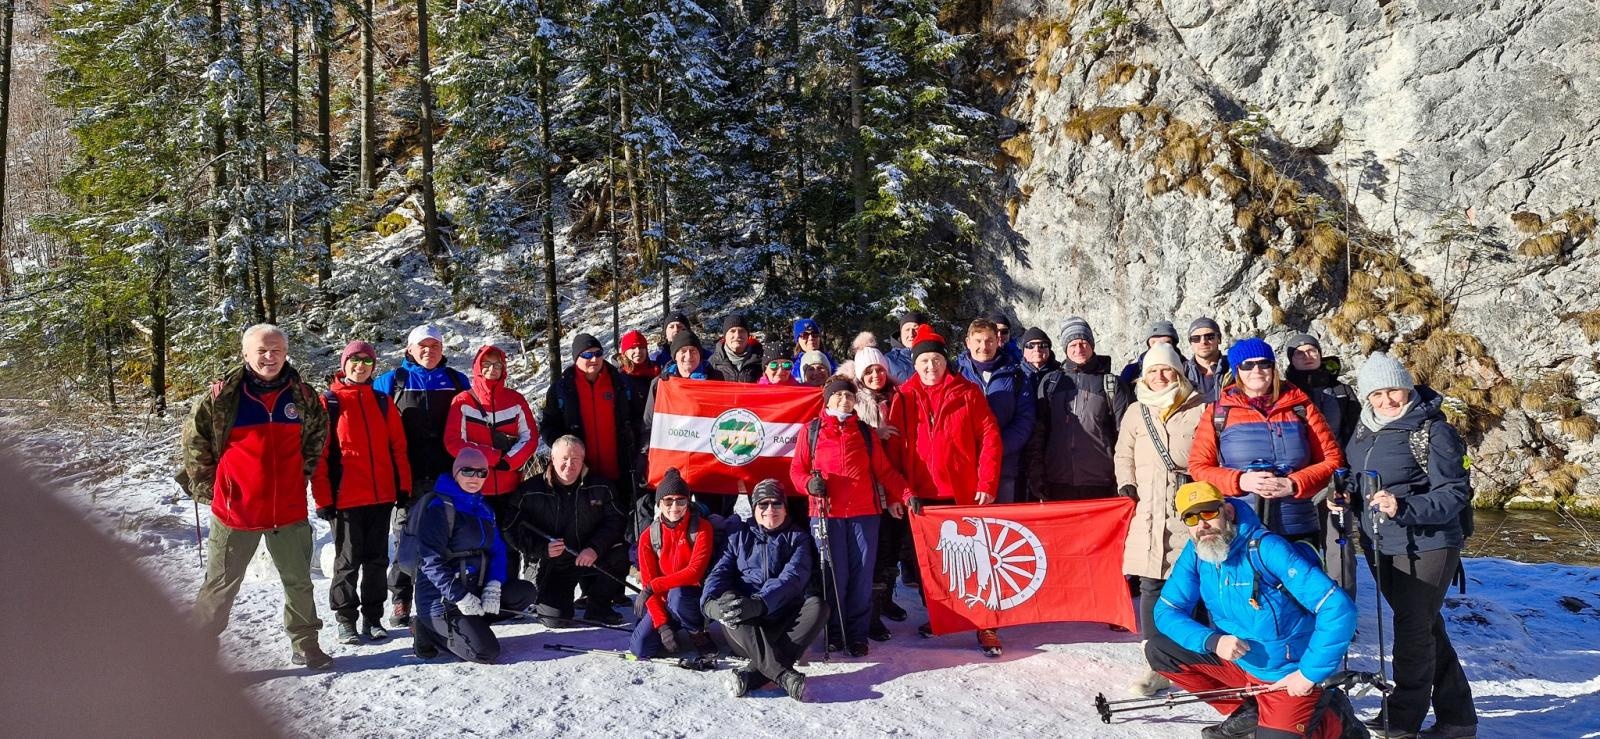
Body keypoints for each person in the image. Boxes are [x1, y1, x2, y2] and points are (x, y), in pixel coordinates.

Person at [1147, 483, 1358, 739]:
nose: (1201, 524)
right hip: (1241, 664)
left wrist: (1307, 674)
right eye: (1191, 518)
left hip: (1287, 674)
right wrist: (1212, 641)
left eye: (1208, 514)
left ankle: (1335, 720)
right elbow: (1167, 610)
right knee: (1159, 650)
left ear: (1228, 512)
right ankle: (1252, 713)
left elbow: (1338, 607)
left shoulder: (1266, 548)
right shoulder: (1197, 552)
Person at [181, 324, 332, 669]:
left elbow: (316, 440)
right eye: (262, 350)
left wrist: (300, 478)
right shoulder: (223, 397)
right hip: (237, 512)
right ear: (246, 354)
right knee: (220, 586)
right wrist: (215, 488)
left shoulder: (303, 396)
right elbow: (195, 443)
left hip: (289, 511)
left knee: (299, 583)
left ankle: (305, 643)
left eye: (276, 350)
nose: (270, 356)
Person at [1342, 354, 1477, 739]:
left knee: (1412, 630)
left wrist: (1405, 506)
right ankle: (1458, 718)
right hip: (1381, 543)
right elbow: (1360, 480)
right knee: (1425, 626)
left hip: (1429, 544)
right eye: (1377, 393)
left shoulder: (1433, 430)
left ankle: (1401, 719)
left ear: (1408, 387)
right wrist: (1346, 496)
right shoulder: (1365, 428)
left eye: (1393, 390)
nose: (1386, 400)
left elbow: (1454, 493)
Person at [885, 324, 1005, 655]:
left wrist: (987, 482)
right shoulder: (904, 397)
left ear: (945, 361)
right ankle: (942, 617)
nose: (930, 366)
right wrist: (898, 493)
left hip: (963, 492)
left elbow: (990, 439)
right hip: (921, 497)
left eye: (936, 360)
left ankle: (986, 625)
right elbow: (892, 450)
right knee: (932, 566)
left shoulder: (967, 392)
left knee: (979, 561)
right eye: (924, 361)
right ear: (915, 363)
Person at [791, 375, 912, 657]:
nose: (844, 400)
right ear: (828, 398)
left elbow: (884, 471)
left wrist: (907, 494)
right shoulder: (811, 431)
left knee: (860, 576)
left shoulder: (866, 432)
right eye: (838, 396)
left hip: (864, 514)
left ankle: (857, 635)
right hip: (826, 514)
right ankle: (835, 632)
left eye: (848, 396)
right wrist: (809, 483)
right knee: (834, 575)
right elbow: (796, 470)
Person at [1112, 343, 1206, 696]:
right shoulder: (1136, 412)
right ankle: (1156, 663)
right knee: (1151, 587)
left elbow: (1210, 456)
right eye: (1153, 371)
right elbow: (1124, 453)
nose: (1160, 376)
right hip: (1148, 513)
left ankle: (1195, 661)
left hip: (1190, 512)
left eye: (1167, 370)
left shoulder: (1199, 409)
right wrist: (1127, 486)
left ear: (1179, 373)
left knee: (1191, 587)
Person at [1187, 338, 1344, 546]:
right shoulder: (1218, 412)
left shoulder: (1301, 407)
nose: (1257, 370)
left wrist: (1293, 483)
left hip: (1297, 524)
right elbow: (1198, 467)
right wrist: (1240, 481)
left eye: (1264, 363)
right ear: (1237, 371)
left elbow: (1332, 460)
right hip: (1240, 525)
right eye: (1247, 365)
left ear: (1273, 368)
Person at [312, 340, 412, 644]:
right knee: (347, 562)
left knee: (377, 561)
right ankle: (345, 619)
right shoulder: (329, 403)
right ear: (344, 365)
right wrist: (323, 498)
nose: (360, 366)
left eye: (367, 361)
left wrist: (404, 486)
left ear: (373, 367)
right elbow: (320, 455)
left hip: (381, 497)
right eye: (354, 360)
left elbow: (398, 448)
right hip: (346, 500)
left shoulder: (382, 402)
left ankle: (372, 618)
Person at [373, 324, 471, 627]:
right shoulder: (392, 381)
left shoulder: (456, 380)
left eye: (435, 346)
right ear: (410, 349)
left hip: (448, 475)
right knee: (406, 538)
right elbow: (375, 431)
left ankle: (449, 594)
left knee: (449, 536)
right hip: (407, 476)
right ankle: (401, 597)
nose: (429, 351)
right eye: (422, 346)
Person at [410, 448, 540, 664]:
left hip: (475, 592)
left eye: (482, 473)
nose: (475, 478)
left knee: (524, 592)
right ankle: (427, 630)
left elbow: (498, 550)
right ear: (456, 472)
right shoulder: (439, 508)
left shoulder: (482, 507)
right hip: (442, 600)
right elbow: (430, 562)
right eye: (468, 471)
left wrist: (493, 585)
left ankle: (471, 626)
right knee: (485, 652)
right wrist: (459, 596)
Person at [703, 480, 825, 702]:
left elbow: (793, 579)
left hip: (782, 621)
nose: (770, 510)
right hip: (746, 628)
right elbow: (719, 572)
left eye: (776, 504)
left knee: (818, 606)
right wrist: (709, 603)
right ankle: (783, 674)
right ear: (753, 508)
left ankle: (753, 676)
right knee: (730, 600)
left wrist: (760, 603)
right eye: (763, 504)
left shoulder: (799, 538)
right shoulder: (738, 535)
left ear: (785, 507)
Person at [504, 435, 630, 625]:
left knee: (621, 552)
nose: (569, 465)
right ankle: (549, 601)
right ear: (552, 459)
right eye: (564, 458)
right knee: (555, 619)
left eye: (575, 459)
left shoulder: (601, 487)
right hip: (554, 563)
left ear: (583, 460)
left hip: (590, 557)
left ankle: (598, 606)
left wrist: (595, 547)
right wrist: (541, 549)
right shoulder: (530, 491)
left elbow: (616, 521)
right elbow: (510, 528)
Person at [444, 344, 538, 578]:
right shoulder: (463, 401)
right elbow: (454, 441)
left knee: (509, 541)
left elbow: (530, 437)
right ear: (477, 366)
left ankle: (509, 593)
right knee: (476, 539)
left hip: (509, 484)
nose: (492, 369)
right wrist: (492, 458)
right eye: (486, 364)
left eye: (497, 365)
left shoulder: (515, 400)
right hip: (475, 486)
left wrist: (509, 461)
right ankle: (476, 589)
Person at [1283, 332, 1363, 596]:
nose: (1307, 356)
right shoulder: (1283, 392)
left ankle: (1342, 604)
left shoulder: (1342, 391)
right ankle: (1304, 600)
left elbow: (1354, 434)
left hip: (1335, 476)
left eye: (1312, 350)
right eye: (1299, 352)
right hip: (1296, 478)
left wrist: (1349, 477)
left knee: (1338, 541)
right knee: (1299, 542)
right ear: (1290, 359)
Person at [542, 333, 643, 535]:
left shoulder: (620, 383)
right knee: (590, 523)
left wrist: (636, 445)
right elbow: (548, 426)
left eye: (598, 354)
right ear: (575, 358)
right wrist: (564, 446)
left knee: (622, 520)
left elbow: (639, 418)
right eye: (587, 355)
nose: (594, 359)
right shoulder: (561, 389)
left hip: (620, 467)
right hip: (581, 472)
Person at [1025, 316, 1132, 501]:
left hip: (1101, 482)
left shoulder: (1112, 384)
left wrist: (1122, 480)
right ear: (1065, 349)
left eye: (1083, 343)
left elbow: (1125, 436)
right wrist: (1037, 476)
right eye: (1073, 344)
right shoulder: (1051, 382)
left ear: (1092, 345)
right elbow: (1039, 433)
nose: (1079, 349)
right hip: (1056, 480)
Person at [852, 347, 911, 638]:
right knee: (872, 554)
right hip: (869, 489)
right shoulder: (853, 401)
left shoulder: (899, 396)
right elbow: (843, 439)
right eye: (869, 371)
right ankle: (870, 613)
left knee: (890, 548)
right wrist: (875, 434)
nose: (875, 375)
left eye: (880, 370)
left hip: (897, 482)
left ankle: (886, 599)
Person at [631, 469, 716, 661]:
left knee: (677, 595)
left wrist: (653, 587)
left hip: (692, 598)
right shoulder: (648, 536)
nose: (674, 506)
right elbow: (647, 583)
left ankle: (697, 632)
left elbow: (694, 573)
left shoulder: (702, 528)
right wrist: (662, 626)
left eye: (681, 500)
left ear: (688, 502)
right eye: (668, 501)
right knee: (640, 648)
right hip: (664, 602)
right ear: (659, 503)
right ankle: (672, 626)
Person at [640, 330, 728, 513]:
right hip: (674, 455)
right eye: (683, 351)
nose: (689, 356)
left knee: (710, 512)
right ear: (675, 356)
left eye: (693, 351)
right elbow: (650, 423)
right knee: (675, 509)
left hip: (707, 457)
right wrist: (645, 454)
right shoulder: (661, 384)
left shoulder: (715, 379)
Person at [955, 317, 1036, 503]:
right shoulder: (955, 374)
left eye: (989, 340)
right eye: (978, 341)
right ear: (968, 342)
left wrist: (997, 448)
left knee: (1001, 525)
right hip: (965, 466)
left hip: (1004, 465)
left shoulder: (1015, 375)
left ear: (997, 341)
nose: (984, 346)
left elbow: (1025, 418)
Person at [1119, 320, 1184, 384]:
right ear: (1148, 345)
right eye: (1154, 343)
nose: (1159, 346)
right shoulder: (1132, 371)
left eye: (1166, 343)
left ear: (1174, 344)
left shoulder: (1189, 368)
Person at [709, 313, 765, 383]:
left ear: (748, 336)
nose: (737, 335)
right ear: (725, 336)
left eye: (741, 331)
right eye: (732, 331)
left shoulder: (761, 361)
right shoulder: (712, 363)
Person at [1186, 317, 1230, 402]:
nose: (1203, 342)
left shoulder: (1233, 368)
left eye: (1209, 336)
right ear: (1190, 343)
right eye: (1196, 338)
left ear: (1219, 339)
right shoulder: (1182, 372)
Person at [884, 310, 926, 384]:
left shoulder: (934, 355)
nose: (911, 334)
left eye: (915, 329)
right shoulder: (889, 360)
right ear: (901, 334)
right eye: (907, 330)